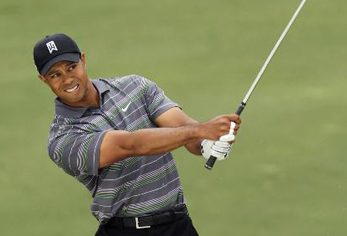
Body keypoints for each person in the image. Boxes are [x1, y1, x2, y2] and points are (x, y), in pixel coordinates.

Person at [33, 33, 241, 235]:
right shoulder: (63, 139)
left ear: (83, 60)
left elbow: (181, 126)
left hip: (178, 224)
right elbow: (130, 145)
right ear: (44, 79)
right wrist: (201, 130)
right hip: (126, 230)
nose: (68, 79)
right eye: (55, 74)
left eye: (71, 67)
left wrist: (206, 143)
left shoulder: (135, 87)